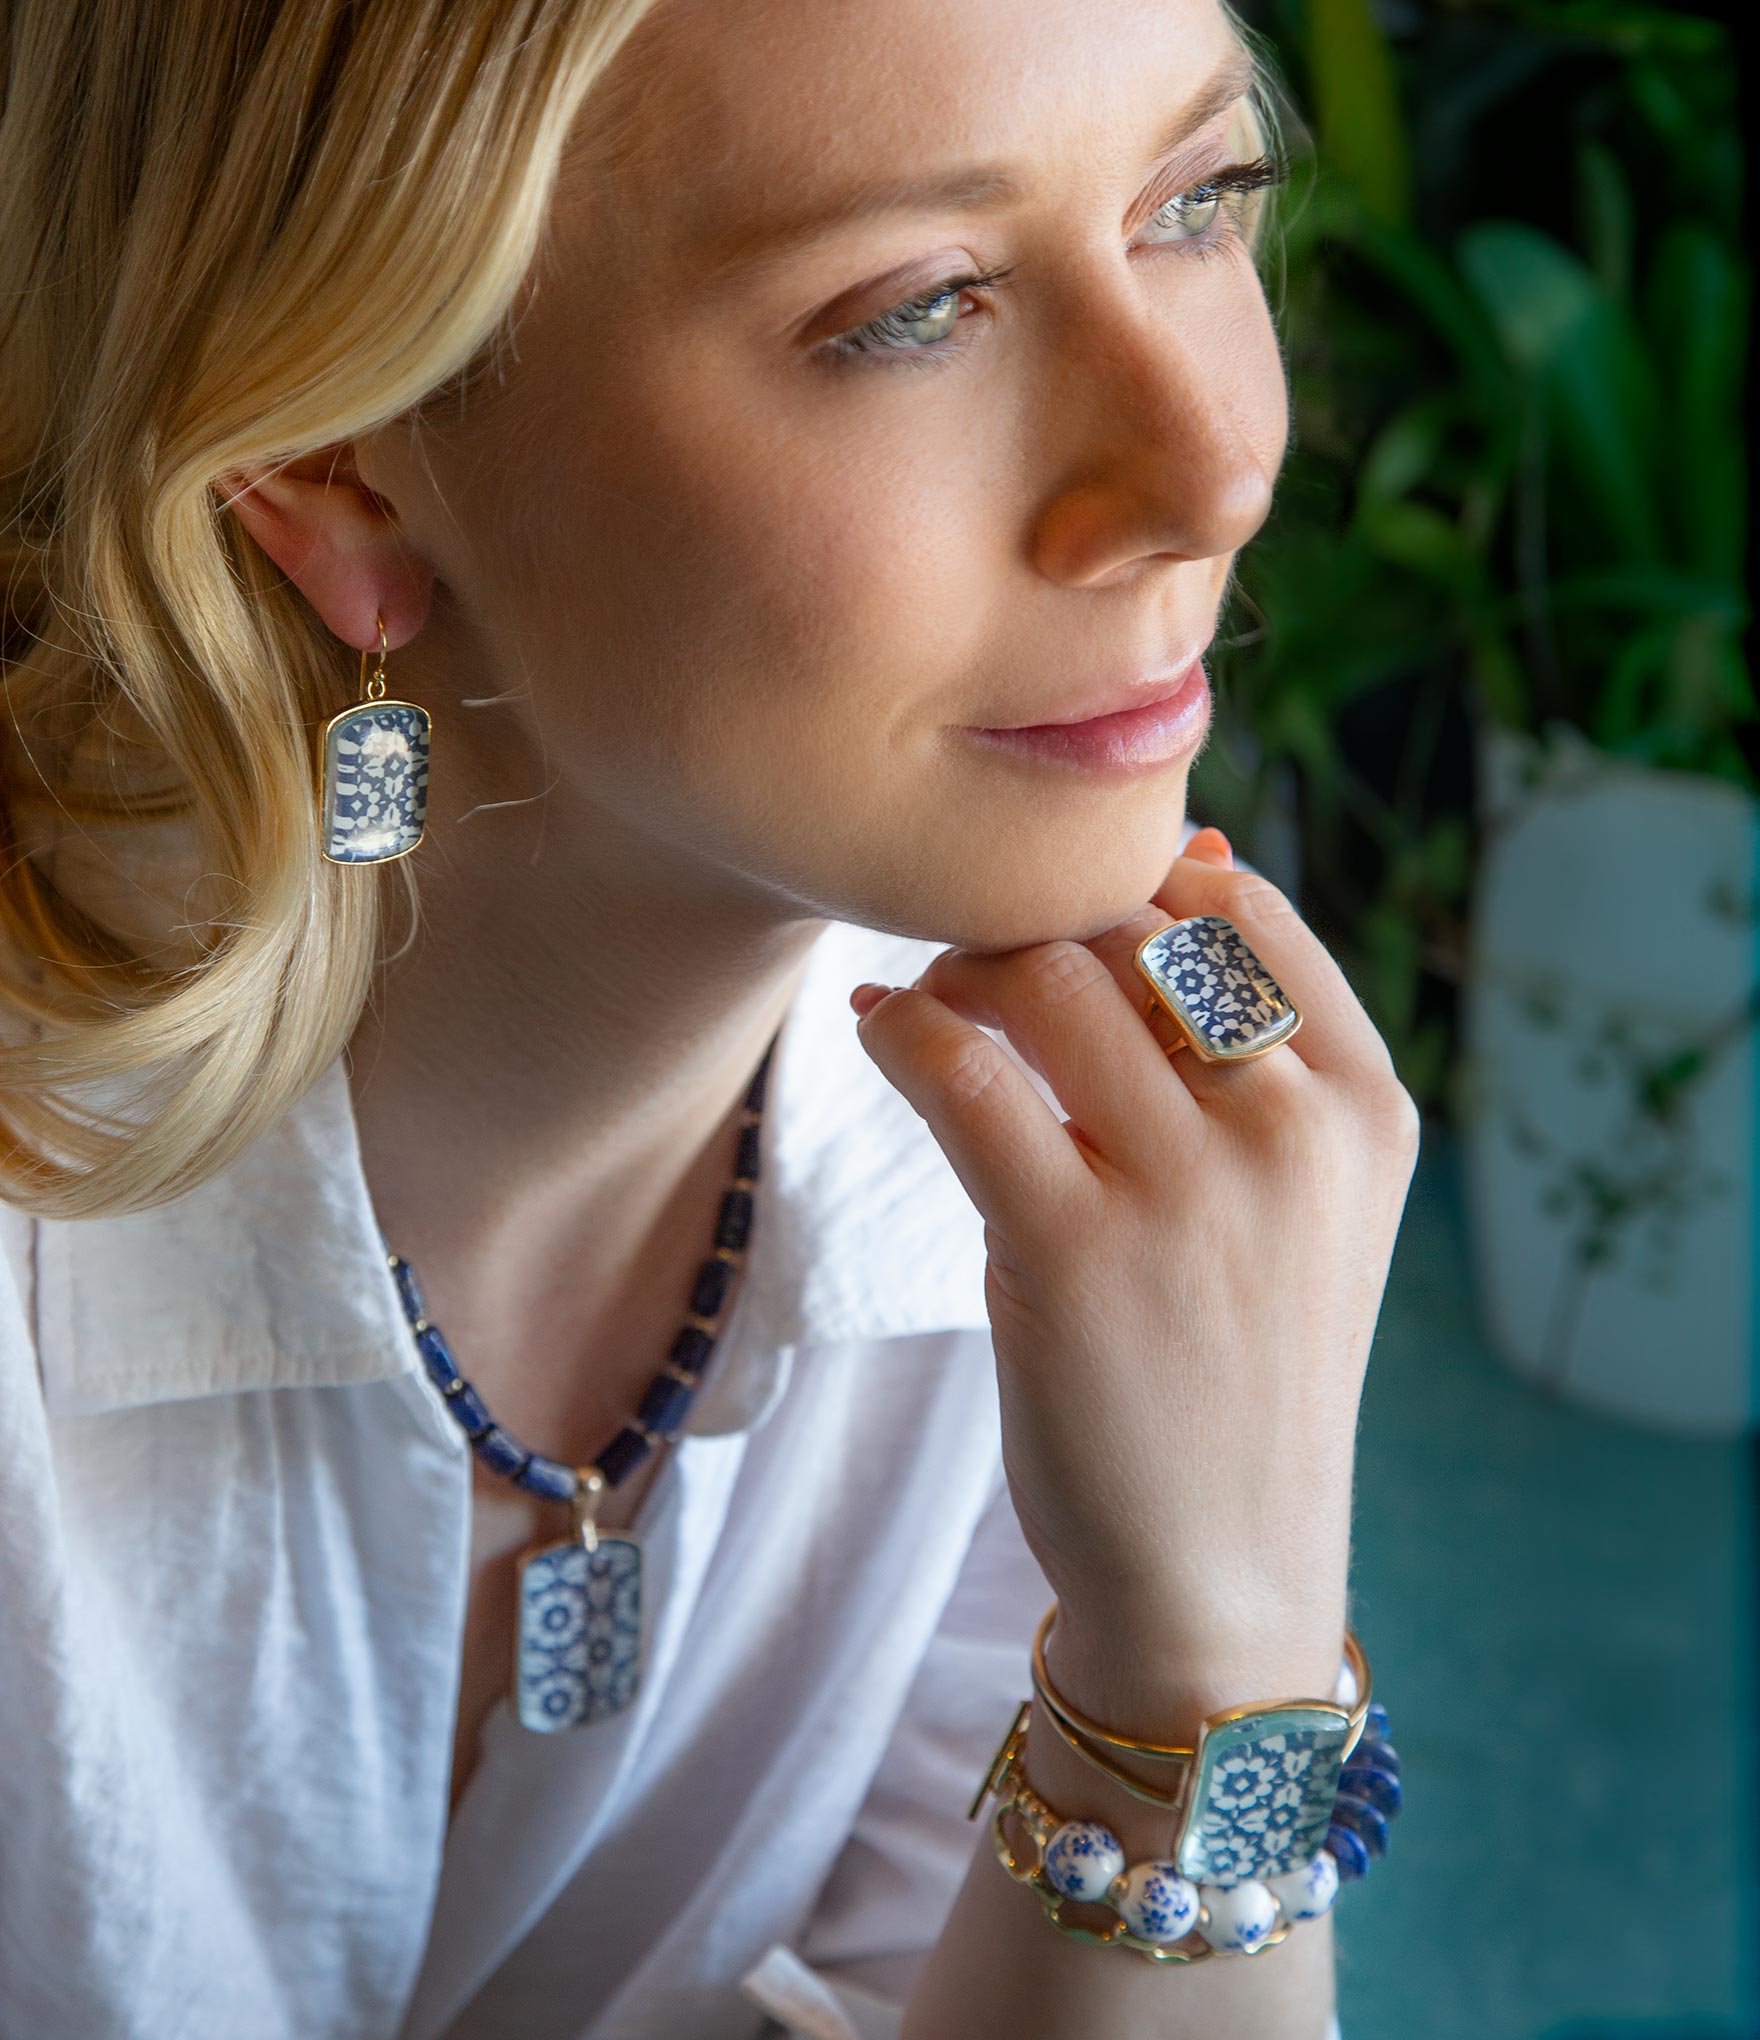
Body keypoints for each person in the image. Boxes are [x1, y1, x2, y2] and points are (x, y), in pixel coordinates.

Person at [0, 0, 1419, 2034]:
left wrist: (1215, 1634)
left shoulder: (1079, 1199)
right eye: (917, 310)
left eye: (1196, 202)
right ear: (332, 469)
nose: (1212, 472)